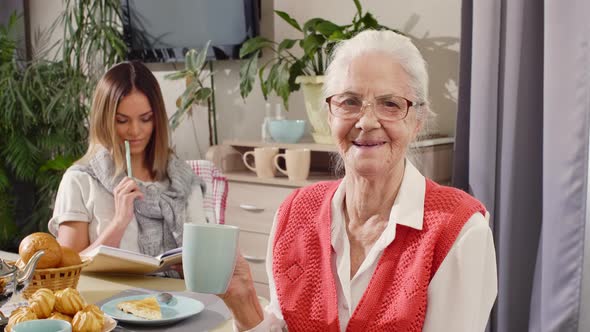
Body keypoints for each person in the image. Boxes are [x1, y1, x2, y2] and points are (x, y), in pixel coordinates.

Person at [219, 30, 498, 331]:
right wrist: (244, 302)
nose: (366, 122)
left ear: (417, 121)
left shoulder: (461, 232)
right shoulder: (293, 213)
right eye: (349, 102)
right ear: (329, 114)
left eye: (390, 104)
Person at [48, 61, 209, 268]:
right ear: (104, 120)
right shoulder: (80, 181)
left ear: (157, 118)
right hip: (106, 299)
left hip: (178, 299)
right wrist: (119, 222)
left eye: (146, 119)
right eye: (122, 120)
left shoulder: (183, 180)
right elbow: (66, 270)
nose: (135, 130)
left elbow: (204, 262)